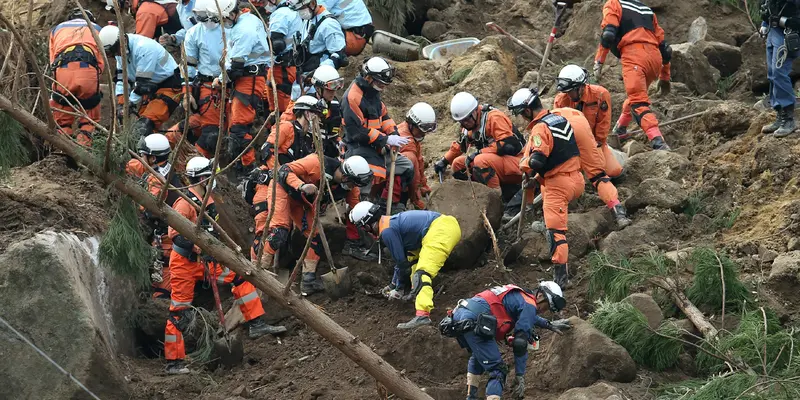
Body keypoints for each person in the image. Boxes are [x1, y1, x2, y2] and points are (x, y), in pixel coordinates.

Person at [164, 157, 286, 374]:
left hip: (208, 260)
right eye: (210, 175)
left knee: (240, 276)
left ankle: (256, 323)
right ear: (201, 178)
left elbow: (210, 230)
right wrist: (200, 248)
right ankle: (174, 362)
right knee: (179, 312)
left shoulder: (208, 200)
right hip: (185, 263)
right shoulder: (184, 203)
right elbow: (177, 236)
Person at [259, 154, 373, 295]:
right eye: (353, 183)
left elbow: (356, 210)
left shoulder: (350, 189)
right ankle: (259, 271)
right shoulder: (316, 163)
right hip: (283, 191)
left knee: (315, 238)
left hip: (302, 202)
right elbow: (283, 170)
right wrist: (301, 185)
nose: (354, 187)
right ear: (346, 177)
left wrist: (369, 228)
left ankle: (308, 282)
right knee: (280, 232)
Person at [438, 282, 571, 400]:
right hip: (475, 321)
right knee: (498, 370)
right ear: (541, 296)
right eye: (546, 307)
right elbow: (520, 343)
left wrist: (548, 324)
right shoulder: (530, 304)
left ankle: (471, 396)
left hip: (460, 316)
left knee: (478, 357)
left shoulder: (519, 296)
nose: (543, 311)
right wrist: (520, 376)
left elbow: (526, 315)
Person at [508, 88, 584, 287]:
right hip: (576, 178)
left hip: (558, 185)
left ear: (526, 111)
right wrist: (536, 179)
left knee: (556, 232)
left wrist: (525, 165)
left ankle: (561, 279)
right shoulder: (559, 119)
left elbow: (539, 161)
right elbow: (559, 154)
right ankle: (540, 219)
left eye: (520, 114)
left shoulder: (540, 129)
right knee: (553, 216)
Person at [349, 201, 462, 330]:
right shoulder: (389, 223)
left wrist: (399, 289)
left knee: (421, 274)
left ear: (366, 224)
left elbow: (402, 265)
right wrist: (393, 284)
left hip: (440, 230)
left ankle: (422, 316)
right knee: (414, 265)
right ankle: (415, 295)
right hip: (438, 228)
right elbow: (404, 260)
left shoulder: (387, 231)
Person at [553, 65, 631, 227]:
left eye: (572, 91)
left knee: (612, 173)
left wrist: (595, 145)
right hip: (572, 145)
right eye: (567, 92)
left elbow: (604, 124)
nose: (569, 95)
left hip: (595, 143)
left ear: (582, 87)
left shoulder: (601, 95)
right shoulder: (560, 100)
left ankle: (618, 211)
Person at [594, 0, 672, 150]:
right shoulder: (646, 10)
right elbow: (665, 48)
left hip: (634, 56)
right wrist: (664, 76)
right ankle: (620, 130)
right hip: (654, 59)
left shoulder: (614, 4)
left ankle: (658, 141)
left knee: (638, 103)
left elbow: (608, 35)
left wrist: (599, 62)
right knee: (635, 96)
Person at [342, 57, 415, 212]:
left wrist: (393, 133)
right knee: (365, 180)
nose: (382, 87)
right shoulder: (352, 97)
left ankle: (388, 205)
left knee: (407, 167)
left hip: (377, 145)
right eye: (380, 83)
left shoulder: (372, 92)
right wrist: (385, 139)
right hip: (359, 149)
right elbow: (357, 133)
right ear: (368, 78)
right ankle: (360, 214)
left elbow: (384, 116)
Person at [208, 0, 270, 178]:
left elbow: (235, 67)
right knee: (236, 127)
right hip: (248, 77)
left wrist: (220, 81)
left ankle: (248, 170)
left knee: (239, 129)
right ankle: (244, 167)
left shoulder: (244, 31)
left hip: (249, 79)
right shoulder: (248, 20)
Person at [434, 92, 525, 200]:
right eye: (462, 122)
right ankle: (474, 197)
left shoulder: (494, 118)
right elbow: (460, 145)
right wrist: (444, 161)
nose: (465, 124)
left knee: (480, 160)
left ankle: (496, 198)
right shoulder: (469, 125)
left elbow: (508, 145)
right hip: (497, 162)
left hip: (519, 162)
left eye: (467, 120)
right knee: (458, 164)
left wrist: (479, 152)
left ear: (475, 111)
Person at [98, 25, 184, 139]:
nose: (114, 55)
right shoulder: (120, 52)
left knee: (144, 126)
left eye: (112, 51)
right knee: (137, 127)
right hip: (148, 89)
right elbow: (122, 79)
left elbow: (142, 84)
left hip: (168, 86)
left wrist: (130, 104)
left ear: (121, 42)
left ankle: (155, 153)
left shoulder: (144, 49)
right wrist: (121, 102)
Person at [127, 134, 183, 299]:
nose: (141, 158)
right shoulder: (164, 168)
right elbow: (138, 166)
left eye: (143, 155)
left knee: (163, 275)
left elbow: (147, 210)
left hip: (166, 236)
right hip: (163, 230)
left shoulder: (158, 181)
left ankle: (162, 298)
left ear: (152, 158)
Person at [48, 9, 105, 148]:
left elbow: (52, 60)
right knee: (89, 116)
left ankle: (61, 149)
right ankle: (83, 149)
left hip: (63, 71)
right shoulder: (98, 30)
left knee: (62, 113)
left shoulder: (57, 29)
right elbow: (102, 61)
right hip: (88, 70)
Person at [180, 0, 227, 157]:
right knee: (211, 135)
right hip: (208, 86)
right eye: (197, 15)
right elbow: (189, 67)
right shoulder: (194, 33)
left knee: (235, 131)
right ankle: (196, 166)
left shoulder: (231, 30)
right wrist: (187, 93)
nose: (200, 19)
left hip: (232, 83)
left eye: (202, 15)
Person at [760, 0, 800, 136]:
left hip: (788, 33)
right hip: (773, 30)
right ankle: (780, 116)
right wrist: (764, 24)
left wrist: (789, 22)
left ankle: (789, 120)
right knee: (772, 74)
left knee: (779, 72)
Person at [289, 0, 348, 75]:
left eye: (302, 8)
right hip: (304, 72)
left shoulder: (329, 24)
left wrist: (319, 72)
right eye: (298, 10)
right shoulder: (308, 20)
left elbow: (339, 56)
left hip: (320, 76)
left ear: (313, 3)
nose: (300, 12)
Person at [265, 0, 303, 113]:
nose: (263, 5)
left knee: (281, 108)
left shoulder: (280, 14)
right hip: (293, 64)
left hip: (282, 68)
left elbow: (277, 45)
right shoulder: (293, 11)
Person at [398, 102, 436, 210]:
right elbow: (414, 176)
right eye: (421, 130)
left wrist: (423, 185)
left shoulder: (411, 134)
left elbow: (419, 162)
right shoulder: (406, 142)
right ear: (412, 123)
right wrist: (416, 198)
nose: (423, 134)